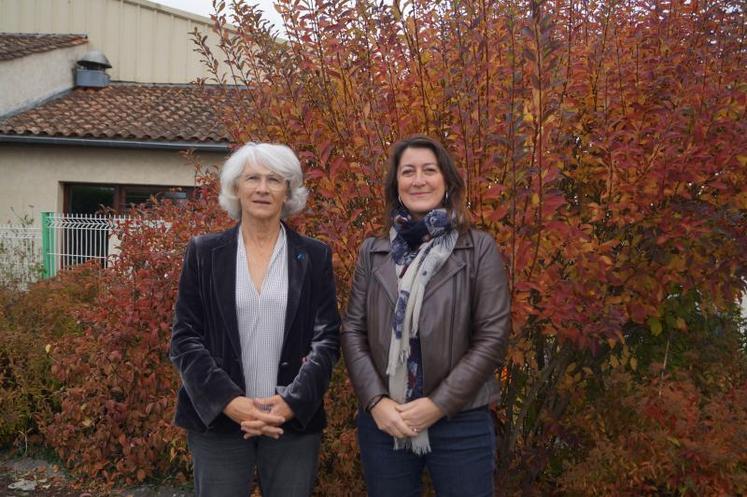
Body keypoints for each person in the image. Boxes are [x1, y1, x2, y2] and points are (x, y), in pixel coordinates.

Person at [342, 135, 510, 497]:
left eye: (429, 170)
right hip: (387, 421)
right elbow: (353, 332)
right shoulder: (374, 252)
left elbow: (492, 337)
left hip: (460, 418)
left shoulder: (478, 248)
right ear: (396, 185)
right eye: (408, 172)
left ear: (446, 181)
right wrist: (376, 401)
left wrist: (438, 405)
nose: (418, 180)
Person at [170, 142, 340, 497]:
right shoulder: (203, 252)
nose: (262, 188)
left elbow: (327, 340)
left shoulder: (314, 256)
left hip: (290, 423)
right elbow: (184, 339)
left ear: (288, 192)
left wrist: (291, 402)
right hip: (220, 420)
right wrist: (231, 403)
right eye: (252, 178)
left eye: (274, 180)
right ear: (235, 188)